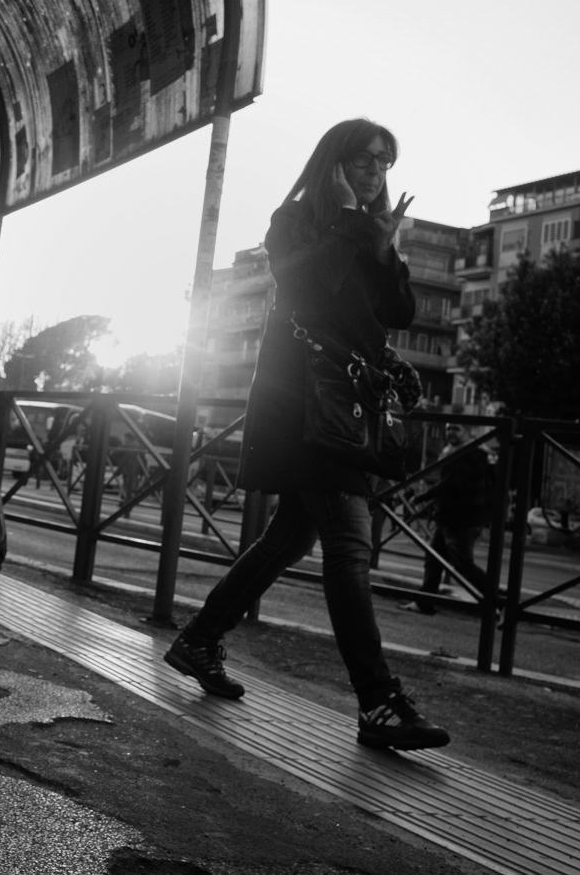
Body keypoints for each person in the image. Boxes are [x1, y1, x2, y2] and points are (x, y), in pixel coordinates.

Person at [161, 118, 451, 752]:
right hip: (302, 406)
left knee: (289, 538)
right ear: (334, 162)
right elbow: (304, 286)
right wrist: (351, 228)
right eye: (366, 159)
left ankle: (199, 640)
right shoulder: (291, 219)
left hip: (342, 408)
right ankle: (378, 702)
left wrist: (385, 248)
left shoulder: (369, 233)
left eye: (385, 163)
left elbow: (398, 314)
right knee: (348, 541)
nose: (377, 172)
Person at [400, 425, 496, 614]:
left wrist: (421, 496)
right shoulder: (460, 452)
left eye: (456, 429)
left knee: (462, 565)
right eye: (448, 429)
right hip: (452, 517)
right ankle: (425, 602)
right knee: (434, 559)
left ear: (470, 432)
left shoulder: (472, 454)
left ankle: (500, 600)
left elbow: (452, 484)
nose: (450, 432)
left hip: (462, 518)